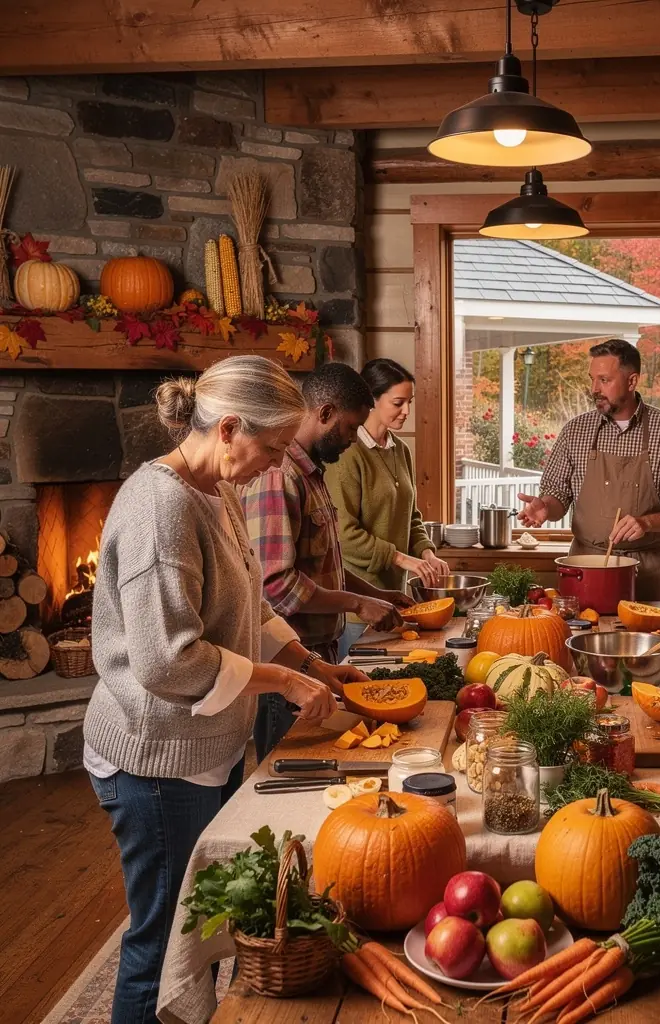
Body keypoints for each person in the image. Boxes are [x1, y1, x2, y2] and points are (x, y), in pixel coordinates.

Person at [83, 356, 366, 1024]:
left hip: (199, 745)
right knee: (162, 942)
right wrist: (280, 680)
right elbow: (166, 661)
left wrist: (308, 662)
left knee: (199, 929)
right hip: (152, 756)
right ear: (230, 428)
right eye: (272, 448)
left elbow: (250, 606)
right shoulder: (161, 507)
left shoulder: (218, 489)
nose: (277, 463)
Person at [241, 361, 411, 763]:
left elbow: (325, 564)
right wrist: (356, 604)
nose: (353, 439)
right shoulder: (278, 476)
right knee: (294, 771)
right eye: (351, 428)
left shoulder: (312, 473)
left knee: (326, 762)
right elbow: (275, 586)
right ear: (325, 413)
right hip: (290, 662)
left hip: (320, 656)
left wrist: (373, 592)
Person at [518, 339, 660, 600]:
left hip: (648, 569)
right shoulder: (575, 431)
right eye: (592, 379)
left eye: (604, 380)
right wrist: (547, 507)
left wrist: (647, 522)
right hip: (586, 566)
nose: (595, 389)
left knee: (652, 639)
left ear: (632, 381)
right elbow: (557, 493)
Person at [335, 358, 450, 652]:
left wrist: (426, 552)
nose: (407, 411)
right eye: (398, 402)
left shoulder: (401, 450)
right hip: (357, 607)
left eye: (409, 402)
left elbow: (410, 516)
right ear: (371, 400)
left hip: (393, 599)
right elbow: (344, 535)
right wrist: (403, 560)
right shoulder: (348, 454)